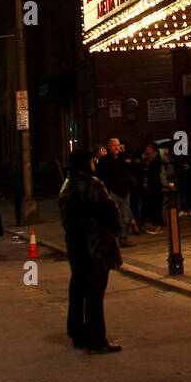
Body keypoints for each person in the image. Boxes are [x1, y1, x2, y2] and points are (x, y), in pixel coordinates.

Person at [58, 147, 122, 353]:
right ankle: (97, 339)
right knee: (95, 295)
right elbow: (110, 212)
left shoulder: (66, 187)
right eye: (92, 162)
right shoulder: (93, 185)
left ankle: (77, 333)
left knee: (78, 290)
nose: (94, 165)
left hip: (76, 247)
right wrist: (114, 230)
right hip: (95, 245)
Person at [95, 137, 134, 247]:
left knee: (125, 216)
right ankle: (116, 239)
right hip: (113, 192)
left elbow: (126, 173)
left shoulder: (121, 159)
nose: (117, 147)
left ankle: (123, 238)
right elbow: (103, 177)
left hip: (124, 191)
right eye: (114, 145)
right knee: (115, 216)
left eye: (118, 145)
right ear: (109, 147)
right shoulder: (105, 161)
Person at [140, 141, 166, 232]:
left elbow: (155, 172)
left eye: (150, 147)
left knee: (156, 204)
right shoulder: (144, 158)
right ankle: (151, 223)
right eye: (147, 147)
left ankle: (158, 223)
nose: (148, 149)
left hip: (155, 184)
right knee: (149, 205)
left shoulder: (156, 158)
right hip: (147, 185)